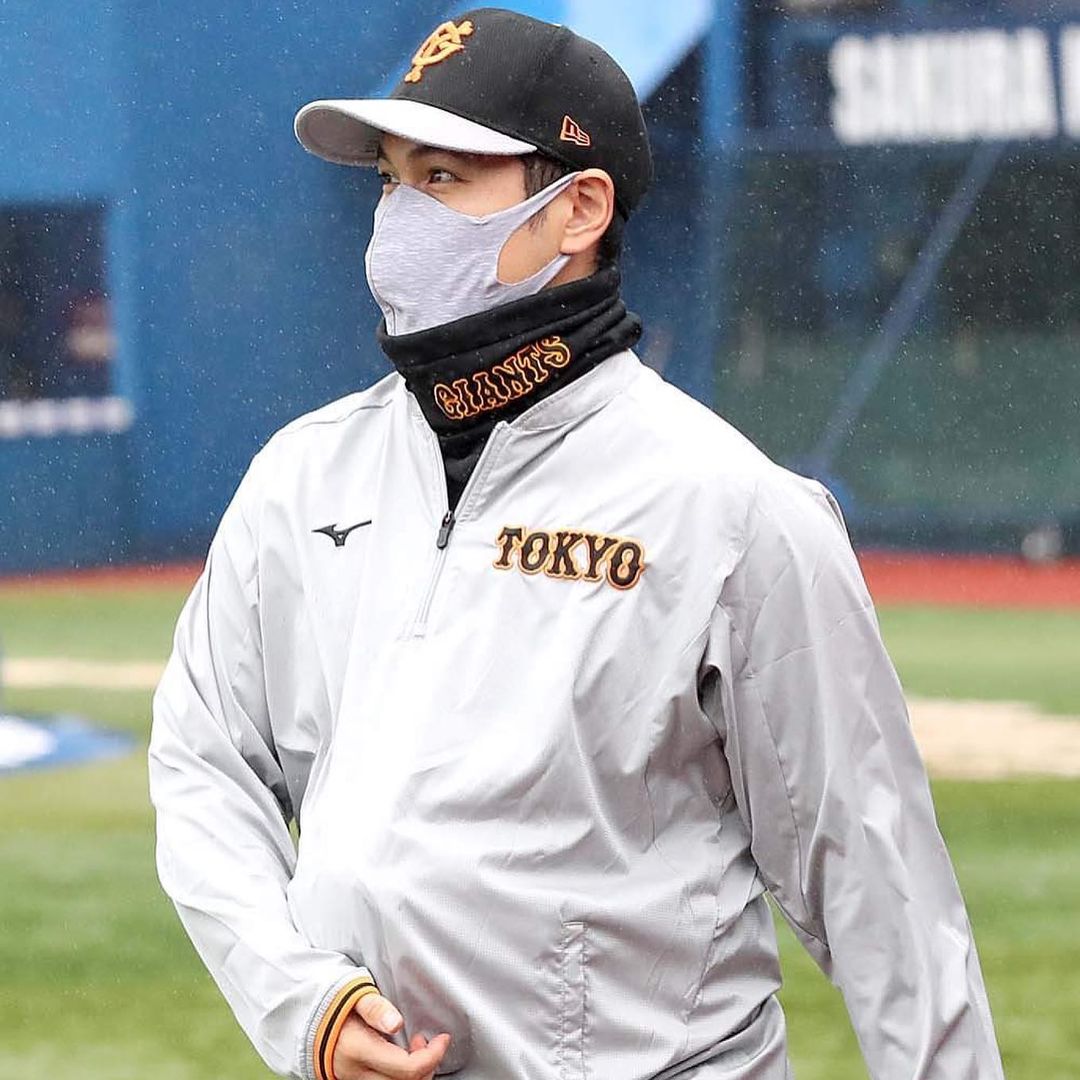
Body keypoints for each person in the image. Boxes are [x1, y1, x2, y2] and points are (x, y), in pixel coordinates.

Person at [149, 9, 1005, 1080]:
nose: (400, 219)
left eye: (444, 178)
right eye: (390, 182)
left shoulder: (731, 509)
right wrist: (304, 1006)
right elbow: (202, 762)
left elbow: (879, 888)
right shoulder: (302, 475)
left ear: (579, 209)